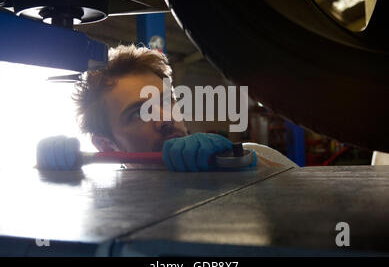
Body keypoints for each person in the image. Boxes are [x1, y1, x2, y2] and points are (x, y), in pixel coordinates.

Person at [37, 44, 297, 171]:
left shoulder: (247, 156)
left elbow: (304, 194)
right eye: (138, 112)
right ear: (106, 146)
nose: (165, 119)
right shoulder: (108, 202)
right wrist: (52, 175)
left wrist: (244, 165)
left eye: (165, 101)